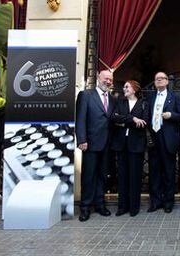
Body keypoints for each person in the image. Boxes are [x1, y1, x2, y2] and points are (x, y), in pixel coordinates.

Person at [75, 69, 115, 222]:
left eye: (110, 80)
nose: (108, 82)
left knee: (102, 176)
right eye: (106, 78)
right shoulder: (86, 95)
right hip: (90, 143)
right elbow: (80, 119)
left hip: (107, 145)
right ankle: (85, 208)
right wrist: (81, 140)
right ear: (98, 77)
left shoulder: (112, 98)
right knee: (88, 176)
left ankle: (100, 204)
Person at [110, 80, 149, 217]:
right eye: (124, 87)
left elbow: (144, 122)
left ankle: (134, 207)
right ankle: (122, 207)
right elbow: (114, 118)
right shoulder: (119, 102)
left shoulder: (144, 103)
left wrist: (124, 121)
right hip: (121, 144)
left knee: (135, 177)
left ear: (134, 89)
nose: (124, 88)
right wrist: (132, 119)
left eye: (127, 87)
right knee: (122, 177)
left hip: (136, 144)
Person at [147, 72, 180, 213]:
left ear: (167, 81)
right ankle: (155, 202)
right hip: (154, 138)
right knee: (154, 172)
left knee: (169, 172)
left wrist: (171, 115)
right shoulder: (150, 97)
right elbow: (147, 115)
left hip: (168, 138)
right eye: (157, 79)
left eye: (162, 78)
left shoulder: (175, 97)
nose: (159, 81)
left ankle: (168, 202)